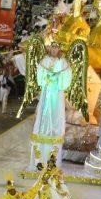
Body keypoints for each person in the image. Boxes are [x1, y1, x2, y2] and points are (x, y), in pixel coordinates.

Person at [28, 42, 71, 171]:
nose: (54, 49)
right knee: (44, 116)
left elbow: (67, 77)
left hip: (57, 93)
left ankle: (53, 159)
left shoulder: (63, 62)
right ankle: (40, 159)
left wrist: (59, 76)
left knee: (56, 117)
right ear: (49, 49)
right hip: (47, 93)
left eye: (56, 47)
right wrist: (47, 76)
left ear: (59, 48)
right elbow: (40, 76)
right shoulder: (45, 60)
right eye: (52, 47)